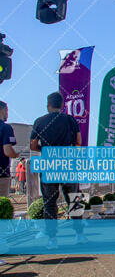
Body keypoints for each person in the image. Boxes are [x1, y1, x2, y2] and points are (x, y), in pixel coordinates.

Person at [30, 92, 86, 248]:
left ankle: (52, 239)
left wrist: (46, 148)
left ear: (48, 105)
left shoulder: (39, 122)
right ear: (62, 106)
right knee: (73, 200)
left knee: (49, 202)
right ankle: (79, 235)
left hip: (49, 165)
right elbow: (78, 142)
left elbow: (33, 146)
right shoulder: (70, 120)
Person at [0, 101, 19, 197]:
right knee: (2, 204)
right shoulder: (5, 128)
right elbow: (7, 151)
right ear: (3, 110)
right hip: (2, 173)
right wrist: (16, 154)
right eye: (7, 111)